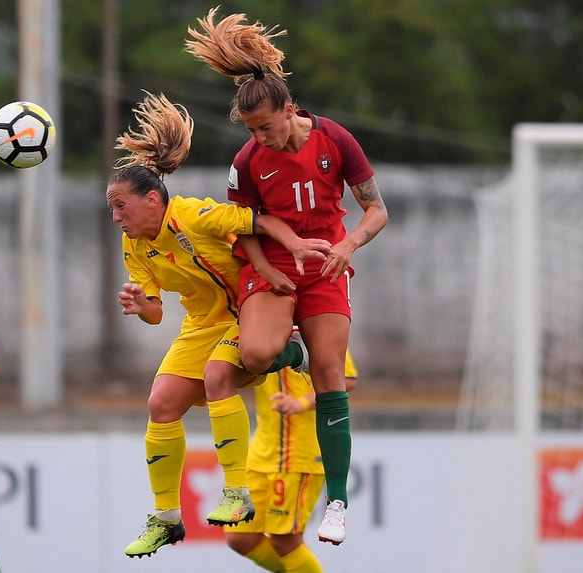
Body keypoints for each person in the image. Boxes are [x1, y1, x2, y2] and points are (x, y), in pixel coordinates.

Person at [186, 8, 388, 546]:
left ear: (290, 111)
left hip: (324, 268)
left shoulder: (336, 140)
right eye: (252, 130)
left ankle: (338, 502)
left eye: (266, 127)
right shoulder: (248, 159)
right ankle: (289, 350)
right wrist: (266, 267)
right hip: (274, 268)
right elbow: (244, 225)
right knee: (254, 355)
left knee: (329, 375)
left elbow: (376, 211)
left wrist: (347, 244)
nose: (261, 138)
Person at [108, 92, 331, 559]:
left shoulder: (192, 214)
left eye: (120, 207)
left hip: (248, 307)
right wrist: (139, 304)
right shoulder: (135, 247)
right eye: (112, 209)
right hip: (202, 324)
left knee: (217, 379)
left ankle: (236, 492)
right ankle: (167, 518)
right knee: (161, 403)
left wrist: (294, 246)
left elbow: (258, 220)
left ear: (153, 199)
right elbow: (155, 312)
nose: (116, 217)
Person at [225, 350, 359, 572]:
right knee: (240, 537)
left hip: (298, 452)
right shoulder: (255, 325)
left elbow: (347, 378)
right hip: (262, 450)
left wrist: (302, 402)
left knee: (284, 541)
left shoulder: (315, 324)